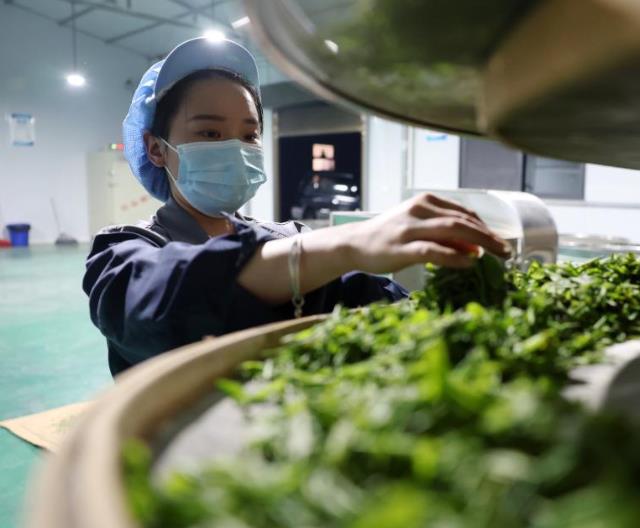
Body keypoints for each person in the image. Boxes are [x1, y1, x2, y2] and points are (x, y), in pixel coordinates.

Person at [83, 37, 510, 377]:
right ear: (156, 149)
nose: (236, 149)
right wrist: (346, 243)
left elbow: (391, 307)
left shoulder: (287, 239)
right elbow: (154, 308)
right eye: (210, 133)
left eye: (249, 135)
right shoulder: (123, 252)